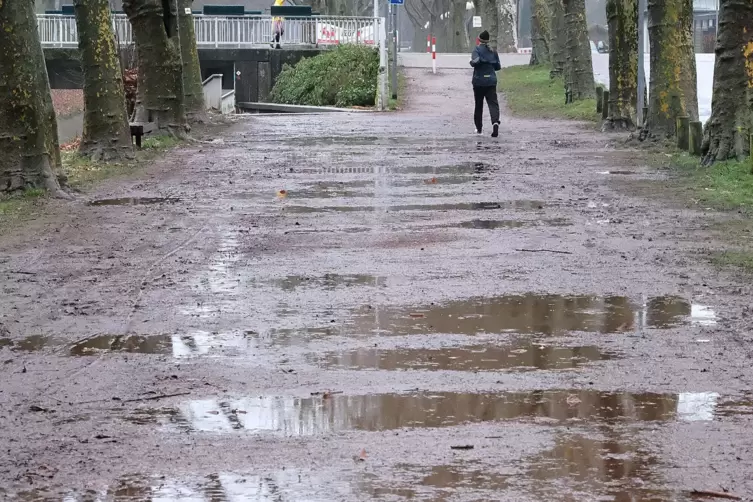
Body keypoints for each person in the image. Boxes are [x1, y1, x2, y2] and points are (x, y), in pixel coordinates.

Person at [470, 30, 502, 137]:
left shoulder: (476, 50)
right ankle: (495, 122)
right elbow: (498, 67)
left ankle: (479, 129)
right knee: (493, 104)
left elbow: (475, 61)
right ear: (488, 41)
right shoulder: (493, 51)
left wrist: (473, 63)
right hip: (491, 81)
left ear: (479, 40)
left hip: (479, 81)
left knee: (479, 105)